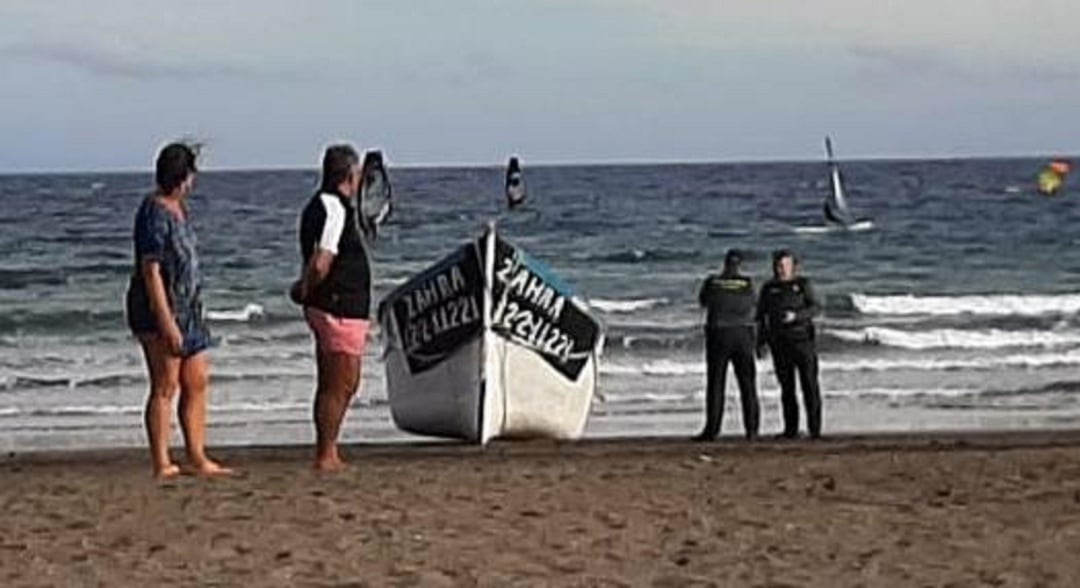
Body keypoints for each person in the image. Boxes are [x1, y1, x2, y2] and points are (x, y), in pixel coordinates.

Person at [125, 142, 231, 478]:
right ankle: (161, 461)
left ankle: (197, 456)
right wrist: (166, 321)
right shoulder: (154, 212)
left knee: (196, 379)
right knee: (165, 384)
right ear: (181, 176)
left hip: (190, 308)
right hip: (161, 309)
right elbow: (151, 270)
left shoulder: (179, 209)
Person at [292, 144, 372, 471]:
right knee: (339, 382)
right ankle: (326, 453)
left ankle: (329, 450)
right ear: (349, 176)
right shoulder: (333, 207)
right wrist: (306, 289)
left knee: (341, 382)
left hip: (338, 305)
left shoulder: (325, 205)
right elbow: (322, 260)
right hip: (337, 306)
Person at [693, 249, 760, 441]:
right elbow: (753, 305)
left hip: (719, 334)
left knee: (716, 384)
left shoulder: (713, 282)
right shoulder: (747, 284)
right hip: (742, 335)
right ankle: (752, 429)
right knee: (747, 385)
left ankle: (712, 429)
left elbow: (703, 302)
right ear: (740, 265)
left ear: (725, 264)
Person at [756, 249, 823, 439]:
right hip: (779, 343)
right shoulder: (768, 288)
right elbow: (761, 316)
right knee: (787, 389)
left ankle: (815, 429)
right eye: (778, 266)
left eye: (785, 265)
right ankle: (790, 429)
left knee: (809, 386)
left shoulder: (802, 285)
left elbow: (816, 307)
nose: (781, 269)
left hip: (803, 342)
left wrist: (797, 316)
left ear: (793, 266)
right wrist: (761, 342)